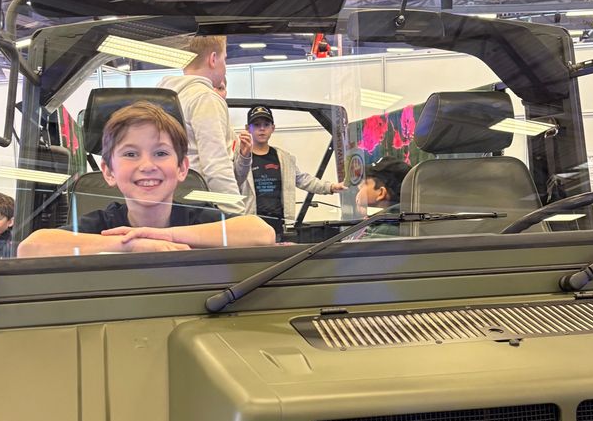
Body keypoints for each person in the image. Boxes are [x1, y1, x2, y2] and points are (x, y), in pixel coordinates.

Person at [17, 101, 274, 257]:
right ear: (108, 171)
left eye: (161, 153)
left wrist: (166, 237)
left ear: (182, 167)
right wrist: (130, 245)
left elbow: (261, 234)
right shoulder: (104, 225)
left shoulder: (197, 217)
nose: (147, 165)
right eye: (130, 154)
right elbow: (30, 248)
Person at [157, 36, 250, 213]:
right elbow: (216, 165)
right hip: (202, 206)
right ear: (213, 59)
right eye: (225, 59)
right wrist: (236, 215)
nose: (225, 67)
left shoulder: (169, 96)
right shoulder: (205, 98)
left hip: (176, 203)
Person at [240, 104, 346, 240]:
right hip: (250, 226)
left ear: (273, 128)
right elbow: (231, 184)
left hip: (279, 227)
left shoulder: (284, 158)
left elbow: (302, 180)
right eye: (256, 124)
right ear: (247, 128)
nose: (262, 129)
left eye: (266, 124)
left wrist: (330, 187)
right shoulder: (241, 158)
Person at [353, 157, 411, 238]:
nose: (358, 192)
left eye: (363, 185)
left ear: (381, 193)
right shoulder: (388, 222)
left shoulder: (385, 231)